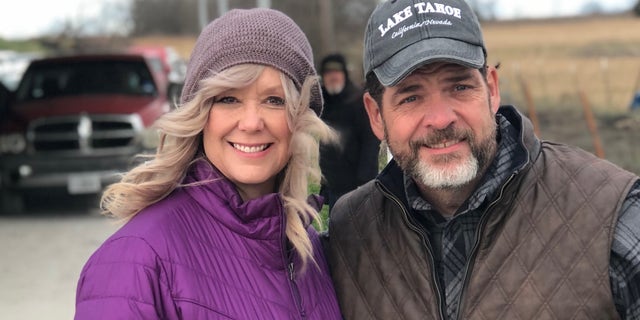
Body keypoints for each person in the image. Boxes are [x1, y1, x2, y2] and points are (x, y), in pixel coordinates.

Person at [324, 0, 640, 319]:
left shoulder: (611, 215)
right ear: (376, 115)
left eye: (459, 86)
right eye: (411, 97)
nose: (441, 119)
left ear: (491, 88)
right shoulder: (349, 234)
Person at [75, 8, 342, 319]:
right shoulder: (136, 260)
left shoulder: (306, 247)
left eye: (274, 100)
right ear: (199, 114)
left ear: (299, 118)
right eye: (228, 99)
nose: (252, 123)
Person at [318, 53, 380, 212]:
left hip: (356, 184)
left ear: (344, 73)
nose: (333, 76)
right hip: (333, 183)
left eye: (336, 72)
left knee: (357, 230)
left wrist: (365, 182)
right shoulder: (323, 102)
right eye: (328, 73)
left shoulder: (357, 100)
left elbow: (370, 142)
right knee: (336, 229)